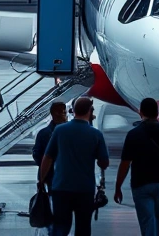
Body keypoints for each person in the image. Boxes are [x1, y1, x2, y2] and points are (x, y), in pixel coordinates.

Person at [113, 98, 159, 236]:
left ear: (140, 112)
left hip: (142, 183)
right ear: (157, 113)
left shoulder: (133, 134)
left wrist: (118, 187)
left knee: (147, 219)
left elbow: (125, 163)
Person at [38, 97, 110, 236]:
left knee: (60, 227)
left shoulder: (59, 130)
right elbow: (104, 163)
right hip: (85, 189)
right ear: (90, 111)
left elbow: (47, 157)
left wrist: (41, 180)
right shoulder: (96, 134)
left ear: (73, 111)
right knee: (83, 227)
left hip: (61, 187)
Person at [33, 102, 68, 236]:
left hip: (50, 177)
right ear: (54, 114)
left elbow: (37, 154)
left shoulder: (44, 133)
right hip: (54, 178)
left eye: (64, 111)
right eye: (61, 112)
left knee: (55, 209)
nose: (64, 115)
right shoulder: (46, 134)